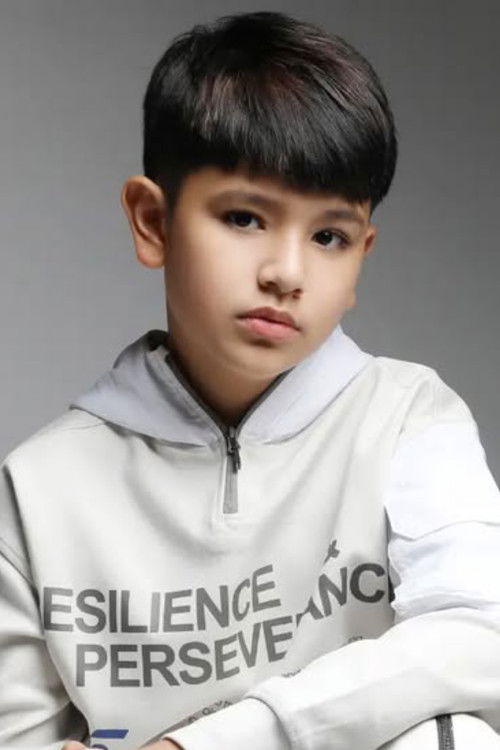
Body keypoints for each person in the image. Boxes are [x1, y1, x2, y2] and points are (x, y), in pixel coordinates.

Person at [1, 9, 500, 750]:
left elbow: (481, 634)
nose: (286, 272)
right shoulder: (39, 486)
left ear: (362, 256)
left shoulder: (408, 417)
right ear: (152, 221)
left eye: (328, 236)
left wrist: (209, 743)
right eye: (243, 218)